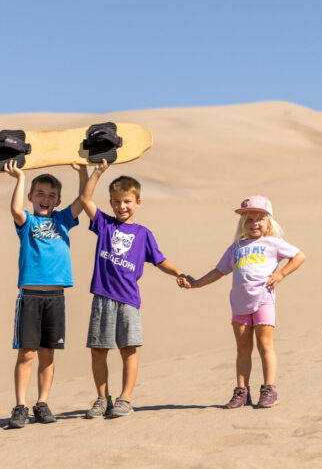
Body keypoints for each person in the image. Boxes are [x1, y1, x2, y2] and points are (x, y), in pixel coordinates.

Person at [77, 160, 186, 418]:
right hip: (103, 297)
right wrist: (96, 172)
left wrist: (179, 273)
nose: (121, 206)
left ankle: (125, 399)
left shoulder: (143, 233)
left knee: (128, 349)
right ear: (111, 203)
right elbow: (84, 199)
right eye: (116, 201)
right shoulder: (104, 225)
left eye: (127, 201)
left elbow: (159, 260)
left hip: (128, 300)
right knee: (98, 349)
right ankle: (102, 398)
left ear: (137, 202)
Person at [179, 196, 306, 408]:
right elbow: (219, 271)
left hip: (263, 300)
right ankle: (241, 392)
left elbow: (299, 256)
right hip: (239, 304)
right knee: (243, 348)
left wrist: (281, 274)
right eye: (249, 219)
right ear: (243, 224)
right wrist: (197, 283)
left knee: (265, 345)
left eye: (259, 219)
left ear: (268, 222)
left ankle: (269, 389)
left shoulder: (273, 243)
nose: (255, 223)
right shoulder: (236, 248)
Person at [2, 159, 86, 429]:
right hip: (30, 296)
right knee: (27, 353)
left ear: (58, 200)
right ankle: (19, 406)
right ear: (31, 197)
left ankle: (42, 403)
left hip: (56, 298)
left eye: (51, 195)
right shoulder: (27, 221)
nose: (46, 199)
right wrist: (20, 177)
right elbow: (15, 209)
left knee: (48, 354)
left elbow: (84, 201)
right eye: (40, 194)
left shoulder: (63, 220)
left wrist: (85, 172)